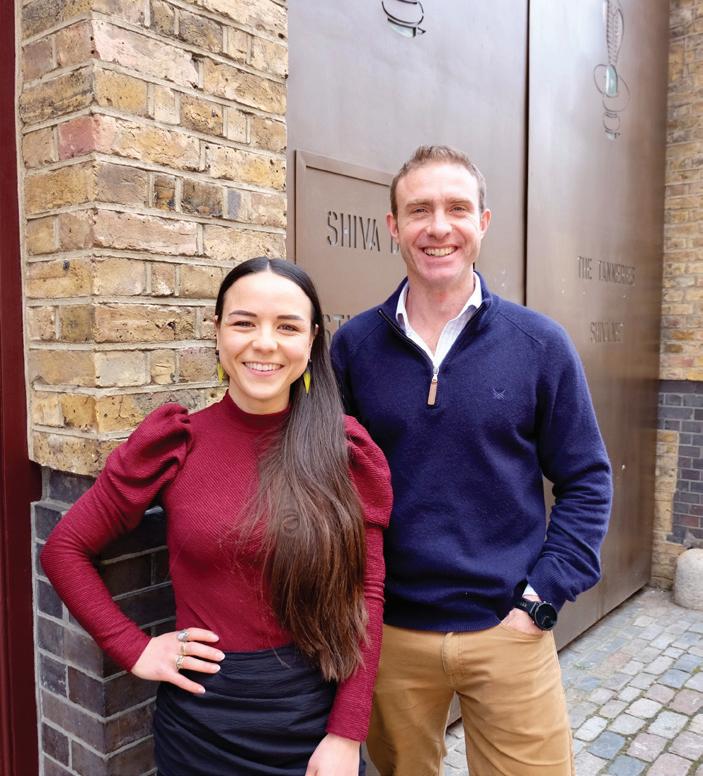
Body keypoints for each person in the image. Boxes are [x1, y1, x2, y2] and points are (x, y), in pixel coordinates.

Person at [41, 257, 393, 776]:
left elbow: (367, 595)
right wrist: (134, 649)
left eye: (288, 327)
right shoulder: (175, 442)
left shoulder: (343, 449)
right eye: (244, 322)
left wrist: (346, 733)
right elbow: (64, 550)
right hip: (200, 727)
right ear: (218, 331)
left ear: (313, 339)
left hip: (313, 721)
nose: (265, 343)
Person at [330, 146, 613, 776]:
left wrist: (541, 599)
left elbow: (587, 480)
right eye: (419, 210)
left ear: (483, 222)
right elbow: (331, 485)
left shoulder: (539, 345)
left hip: (509, 630)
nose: (439, 227)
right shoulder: (354, 348)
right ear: (393, 226)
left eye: (457, 208)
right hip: (393, 637)